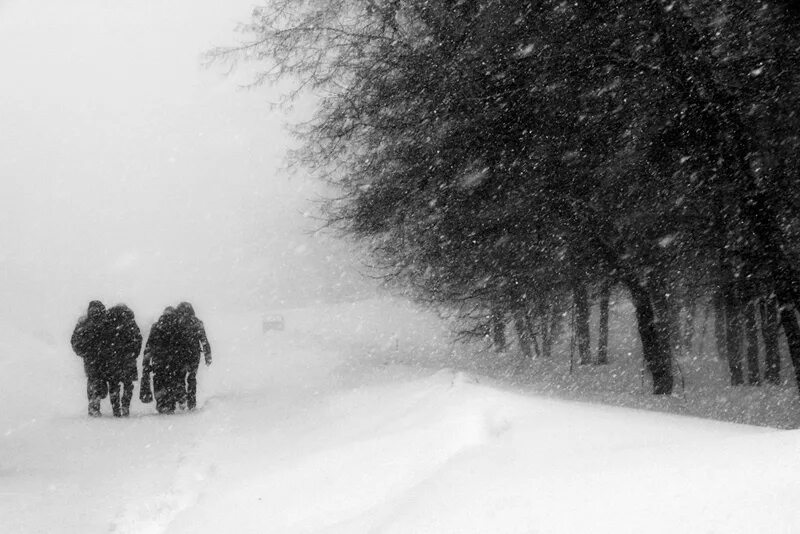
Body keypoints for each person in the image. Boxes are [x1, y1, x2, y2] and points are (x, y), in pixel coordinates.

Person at [71, 300, 109, 417]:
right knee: (101, 380)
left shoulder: (84, 324)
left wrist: (84, 352)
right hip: (104, 357)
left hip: (91, 358)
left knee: (93, 380)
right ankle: (96, 401)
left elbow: (75, 342)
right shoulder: (106, 322)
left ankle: (94, 403)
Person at [173, 302, 212, 411]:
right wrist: (207, 354)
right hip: (194, 354)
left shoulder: (176, 322)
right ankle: (192, 402)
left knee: (180, 377)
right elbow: (204, 340)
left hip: (180, 354)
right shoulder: (197, 323)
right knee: (192, 378)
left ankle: (182, 399)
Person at [105, 304, 142, 417]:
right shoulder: (130, 323)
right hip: (128, 359)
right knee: (128, 384)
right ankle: (125, 406)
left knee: (113, 384)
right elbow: (138, 339)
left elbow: (104, 341)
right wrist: (133, 354)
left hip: (113, 359)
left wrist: (109, 354)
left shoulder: (109, 323)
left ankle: (116, 408)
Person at [143, 306, 179, 414]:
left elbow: (149, 344)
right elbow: (181, 344)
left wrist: (146, 361)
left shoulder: (156, 326)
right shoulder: (177, 326)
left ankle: (161, 403)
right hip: (173, 360)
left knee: (159, 381)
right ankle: (171, 404)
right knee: (171, 382)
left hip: (158, 360)